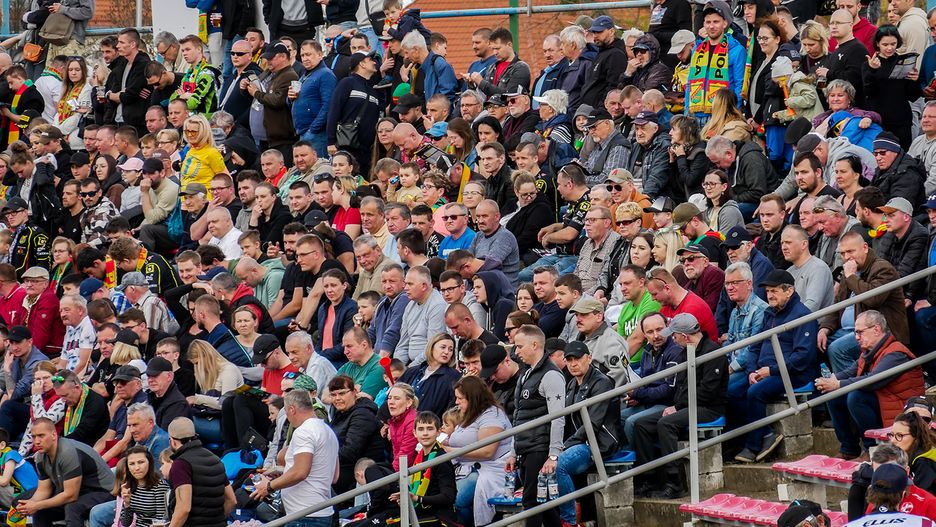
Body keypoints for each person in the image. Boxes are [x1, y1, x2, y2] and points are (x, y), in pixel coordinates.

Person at [729, 269, 818, 463]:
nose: (769, 295)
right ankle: (766, 433)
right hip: (764, 370)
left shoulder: (802, 315)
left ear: (789, 291)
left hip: (792, 373)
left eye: (774, 291)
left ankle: (753, 446)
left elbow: (802, 357)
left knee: (755, 393)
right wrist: (751, 371)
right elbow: (755, 346)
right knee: (730, 392)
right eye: (768, 291)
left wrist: (771, 370)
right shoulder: (770, 313)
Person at [817, 310, 925, 460]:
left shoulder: (896, 353)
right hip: (885, 401)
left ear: (876, 329)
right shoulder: (870, 351)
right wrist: (829, 382)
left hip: (901, 409)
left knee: (856, 397)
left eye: (860, 332)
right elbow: (851, 371)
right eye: (855, 333)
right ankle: (848, 448)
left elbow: (872, 381)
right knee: (835, 395)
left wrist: (838, 384)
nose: (856, 337)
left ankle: (872, 449)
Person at [819, 232, 908, 372]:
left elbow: (873, 299)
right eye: (842, 253)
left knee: (837, 350)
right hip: (848, 330)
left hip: (879, 331)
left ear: (865, 248)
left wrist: (851, 276)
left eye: (850, 251)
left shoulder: (882, 268)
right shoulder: (850, 271)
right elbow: (838, 303)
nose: (846, 257)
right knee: (816, 343)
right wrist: (825, 328)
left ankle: (854, 384)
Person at [249, 390, 339, 527]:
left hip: (304, 515)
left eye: (285, 412)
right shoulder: (328, 431)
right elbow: (334, 476)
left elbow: (300, 472)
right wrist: (284, 471)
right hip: (321, 512)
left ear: (292, 409)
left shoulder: (304, 431)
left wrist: (269, 486)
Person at [555, 341, 621, 526]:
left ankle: (569, 521)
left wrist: (565, 445)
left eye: (577, 359)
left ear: (589, 358)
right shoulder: (571, 384)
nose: (573, 364)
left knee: (560, 465)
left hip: (599, 443)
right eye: (569, 360)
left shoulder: (602, 382)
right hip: (580, 442)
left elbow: (593, 423)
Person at [508, 324, 564, 527]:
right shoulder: (526, 374)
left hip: (539, 448)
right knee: (544, 504)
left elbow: (558, 417)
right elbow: (519, 415)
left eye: (519, 346)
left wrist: (553, 455)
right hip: (526, 447)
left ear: (534, 345)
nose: (516, 352)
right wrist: (514, 451)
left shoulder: (551, 375)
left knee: (532, 502)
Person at [16, 418, 114, 527]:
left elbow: (71, 495)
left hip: (104, 492)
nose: (37, 441)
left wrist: (37, 505)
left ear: (54, 435)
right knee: (40, 511)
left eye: (41, 436)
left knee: (72, 507)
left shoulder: (67, 452)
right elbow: (43, 490)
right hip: (80, 492)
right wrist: (29, 505)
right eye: (34, 437)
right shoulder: (40, 457)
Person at [165, 417, 236, 527]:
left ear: (172, 441)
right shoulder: (215, 459)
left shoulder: (181, 464)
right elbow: (231, 500)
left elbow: (183, 508)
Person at [685, 0, 746, 125]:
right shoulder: (697, 49)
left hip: (722, 115)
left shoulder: (737, 50)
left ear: (725, 23)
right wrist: (686, 111)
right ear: (703, 24)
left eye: (716, 22)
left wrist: (733, 113)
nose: (711, 26)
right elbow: (690, 82)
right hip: (695, 115)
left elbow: (740, 86)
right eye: (708, 22)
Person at [396, 266, 447, 365]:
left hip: (428, 365)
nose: (405, 288)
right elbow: (402, 344)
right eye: (405, 283)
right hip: (411, 365)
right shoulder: (410, 305)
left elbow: (433, 349)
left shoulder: (437, 305)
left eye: (410, 284)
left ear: (423, 286)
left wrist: (409, 369)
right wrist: (398, 367)